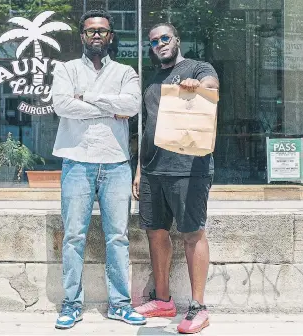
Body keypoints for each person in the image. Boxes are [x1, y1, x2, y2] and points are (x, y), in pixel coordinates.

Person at [51, 9, 146, 330]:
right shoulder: (65, 69)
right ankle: (71, 303)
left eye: (102, 31)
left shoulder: (125, 71)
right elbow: (62, 105)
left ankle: (120, 304)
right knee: (74, 236)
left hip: (116, 162)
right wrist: (109, 108)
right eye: (90, 31)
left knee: (118, 237)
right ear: (82, 36)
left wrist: (88, 98)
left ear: (110, 37)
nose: (96, 35)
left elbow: (131, 106)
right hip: (76, 161)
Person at [133, 23, 219, 334]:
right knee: (155, 232)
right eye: (154, 41)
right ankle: (163, 300)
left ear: (176, 40)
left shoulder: (198, 67)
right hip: (154, 170)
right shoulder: (152, 80)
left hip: (189, 168)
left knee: (193, 233)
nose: (159, 44)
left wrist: (201, 87)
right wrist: (140, 170)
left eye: (164, 38)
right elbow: (147, 129)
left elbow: (212, 87)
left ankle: (198, 307)